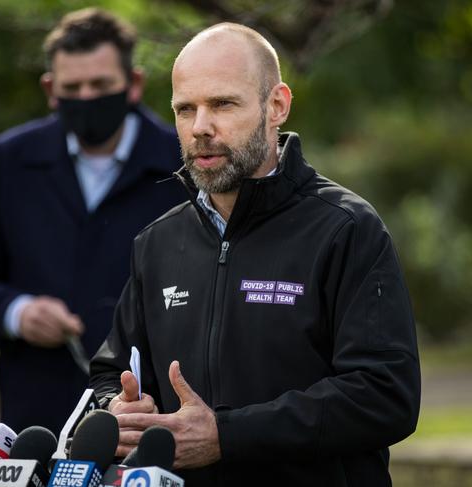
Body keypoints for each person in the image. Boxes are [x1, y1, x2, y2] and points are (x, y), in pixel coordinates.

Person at [89, 22, 421, 486]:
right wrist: (118, 409)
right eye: (185, 109)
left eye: (222, 104)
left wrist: (225, 435)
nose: (201, 127)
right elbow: (109, 370)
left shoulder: (345, 227)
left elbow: (386, 396)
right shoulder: (157, 242)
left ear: (277, 105)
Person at [0, 8, 184, 435]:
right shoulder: (10, 160)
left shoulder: (181, 161)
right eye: (73, 87)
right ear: (51, 90)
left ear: (134, 84)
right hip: (37, 419)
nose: (87, 97)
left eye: (101, 85)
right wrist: (17, 312)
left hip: (149, 416)